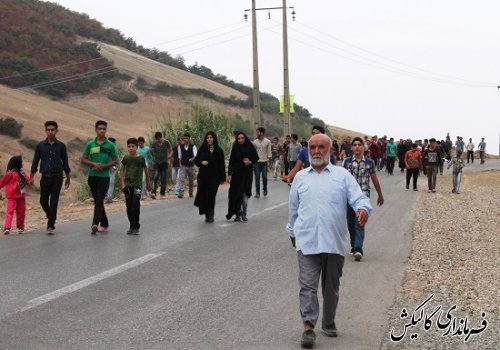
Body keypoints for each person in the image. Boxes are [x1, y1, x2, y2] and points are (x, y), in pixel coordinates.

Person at [287, 134, 372, 348]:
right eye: (312, 147)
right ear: (308, 150)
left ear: (330, 150)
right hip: (306, 240)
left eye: (321, 147)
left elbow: (358, 197)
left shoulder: (342, 176)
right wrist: (292, 231)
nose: (316, 151)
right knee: (307, 286)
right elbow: (293, 209)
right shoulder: (300, 178)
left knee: (331, 287)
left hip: (333, 242)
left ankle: (328, 320)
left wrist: (362, 209)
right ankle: (308, 327)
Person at [343, 137, 384, 261]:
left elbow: (374, 178)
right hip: (349, 197)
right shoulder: (347, 162)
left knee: (360, 221)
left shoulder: (369, 162)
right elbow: (342, 180)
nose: (357, 147)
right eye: (354, 145)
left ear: (363, 147)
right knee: (350, 223)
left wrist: (380, 194)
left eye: (359, 145)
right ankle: (353, 244)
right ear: (351, 147)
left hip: (363, 197)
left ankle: (358, 248)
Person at [29, 121, 71, 235]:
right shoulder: (40, 146)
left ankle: (50, 225)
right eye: (48, 130)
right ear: (45, 131)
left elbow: (65, 162)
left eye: (52, 129)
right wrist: (31, 177)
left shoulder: (61, 146)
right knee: (43, 201)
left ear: (56, 131)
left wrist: (68, 177)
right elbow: (35, 162)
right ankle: (51, 216)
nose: (50, 132)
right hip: (45, 177)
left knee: (53, 201)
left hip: (57, 177)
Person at [81, 120, 118, 234]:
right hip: (92, 176)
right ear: (96, 129)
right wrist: (94, 164)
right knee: (98, 201)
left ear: (106, 130)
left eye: (104, 129)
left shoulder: (110, 145)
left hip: (104, 177)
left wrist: (105, 166)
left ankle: (95, 224)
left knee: (99, 200)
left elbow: (115, 160)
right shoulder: (90, 144)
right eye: (100, 128)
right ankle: (105, 223)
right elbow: (83, 159)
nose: (102, 131)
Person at [193, 131, 226, 223]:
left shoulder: (219, 150)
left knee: (211, 195)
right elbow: (196, 160)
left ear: (214, 138)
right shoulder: (202, 149)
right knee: (204, 195)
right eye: (208, 138)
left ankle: (211, 215)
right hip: (203, 177)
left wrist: (222, 178)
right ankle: (207, 214)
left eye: (211, 137)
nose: (209, 139)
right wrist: (201, 162)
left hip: (215, 177)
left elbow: (221, 165)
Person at [120, 138, 151, 235]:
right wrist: (123, 183)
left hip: (137, 185)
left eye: (133, 146)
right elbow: (122, 170)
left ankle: (136, 226)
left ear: (136, 147)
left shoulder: (141, 158)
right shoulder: (126, 158)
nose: (131, 148)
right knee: (129, 206)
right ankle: (131, 226)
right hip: (128, 186)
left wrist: (149, 183)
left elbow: (146, 170)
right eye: (129, 146)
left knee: (135, 205)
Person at [226, 131, 258, 222]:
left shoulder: (249, 146)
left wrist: (250, 162)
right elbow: (231, 162)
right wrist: (229, 175)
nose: (240, 140)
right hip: (237, 174)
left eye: (242, 138)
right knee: (236, 195)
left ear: (245, 138)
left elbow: (256, 157)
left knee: (244, 194)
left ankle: (244, 213)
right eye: (239, 138)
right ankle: (238, 213)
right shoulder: (235, 147)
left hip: (247, 174)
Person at [1, 156, 31, 235]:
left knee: (21, 212)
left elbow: (29, 181)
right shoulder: (10, 173)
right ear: (18, 163)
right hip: (12, 196)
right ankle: (7, 227)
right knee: (10, 212)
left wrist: (29, 179)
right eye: (21, 162)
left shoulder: (22, 173)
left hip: (21, 196)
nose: (23, 164)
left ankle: (20, 227)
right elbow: (2, 182)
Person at [150, 132, 172, 199]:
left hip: (164, 163)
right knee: (155, 178)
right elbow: (152, 152)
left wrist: (169, 157)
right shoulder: (154, 144)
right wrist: (152, 152)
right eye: (157, 139)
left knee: (163, 178)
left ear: (161, 137)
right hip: (156, 163)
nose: (158, 140)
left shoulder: (166, 142)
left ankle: (162, 194)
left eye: (159, 139)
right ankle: (153, 193)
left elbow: (171, 150)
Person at [252, 127, 272, 198]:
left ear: (262, 133)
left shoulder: (268, 142)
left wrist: (270, 163)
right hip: (256, 162)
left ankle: (265, 188)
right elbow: (252, 152)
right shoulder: (254, 142)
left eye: (258, 132)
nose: (257, 134)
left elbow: (269, 153)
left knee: (265, 177)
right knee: (257, 177)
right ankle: (257, 193)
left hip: (264, 162)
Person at [177, 133, 197, 199]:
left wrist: (192, 159)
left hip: (191, 166)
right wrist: (180, 164)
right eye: (184, 138)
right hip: (183, 165)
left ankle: (190, 192)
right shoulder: (180, 147)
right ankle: (181, 193)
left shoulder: (193, 146)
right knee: (181, 179)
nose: (185, 139)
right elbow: (179, 156)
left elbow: (195, 155)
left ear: (189, 138)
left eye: (186, 138)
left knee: (191, 180)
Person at [104, 137, 117, 203]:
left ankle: (108, 197)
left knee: (108, 183)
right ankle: (108, 197)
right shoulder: (110, 148)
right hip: (109, 167)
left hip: (108, 167)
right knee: (110, 183)